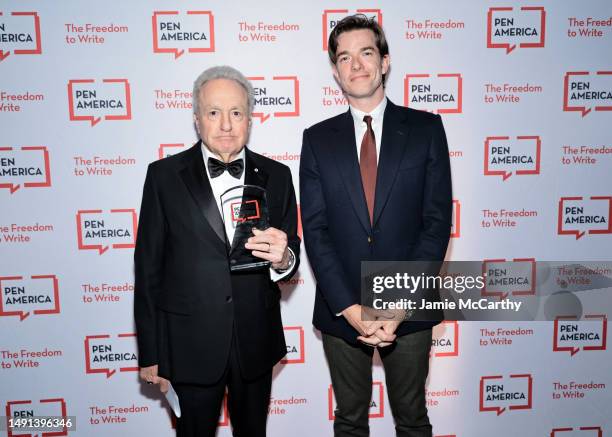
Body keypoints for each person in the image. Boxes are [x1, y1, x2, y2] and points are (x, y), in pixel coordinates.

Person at [300, 15, 452, 437]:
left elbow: (437, 223)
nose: (356, 65)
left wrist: (401, 304)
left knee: (413, 419)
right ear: (335, 71)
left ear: (384, 61)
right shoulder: (317, 139)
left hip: (410, 305)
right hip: (342, 305)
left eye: (366, 53)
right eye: (344, 57)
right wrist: (348, 307)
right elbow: (315, 231)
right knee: (349, 421)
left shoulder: (425, 129)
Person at [134, 65, 300, 437]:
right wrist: (151, 354)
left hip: (254, 344)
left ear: (250, 119)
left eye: (236, 113)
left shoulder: (278, 175)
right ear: (196, 119)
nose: (226, 124)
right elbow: (147, 271)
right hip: (188, 346)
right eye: (214, 112)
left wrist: (284, 259)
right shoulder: (163, 177)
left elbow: (290, 257)